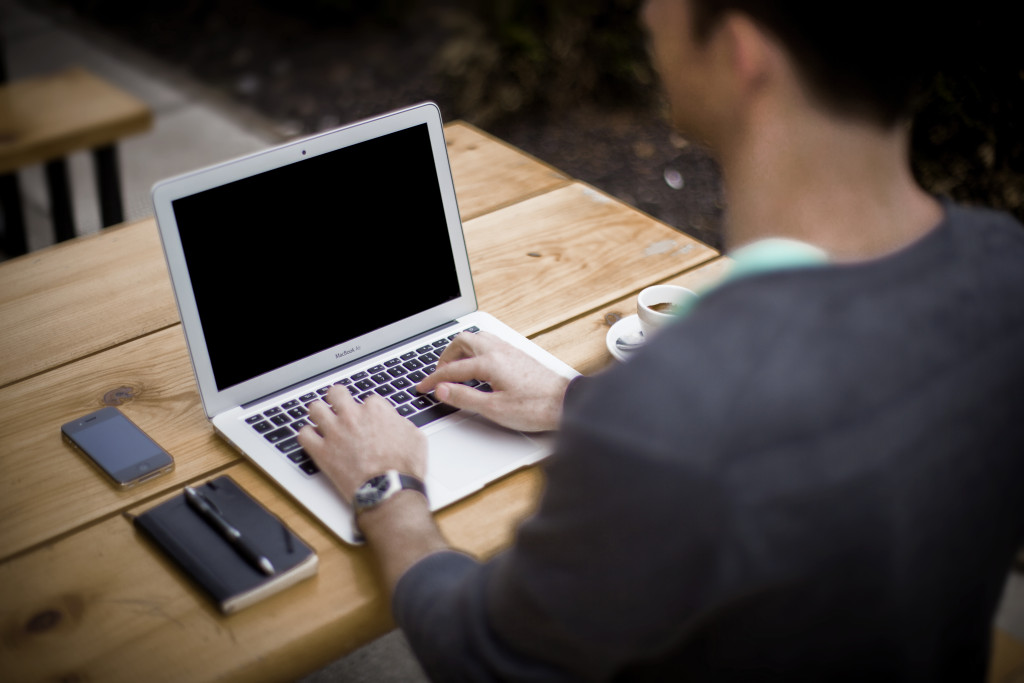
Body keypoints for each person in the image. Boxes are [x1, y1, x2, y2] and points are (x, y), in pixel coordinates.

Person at [299, 0, 1024, 679]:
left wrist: (387, 487)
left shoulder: (676, 413)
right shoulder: (1004, 271)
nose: (645, 11)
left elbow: (479, 654)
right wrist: (572, 398)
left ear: (743, 53)